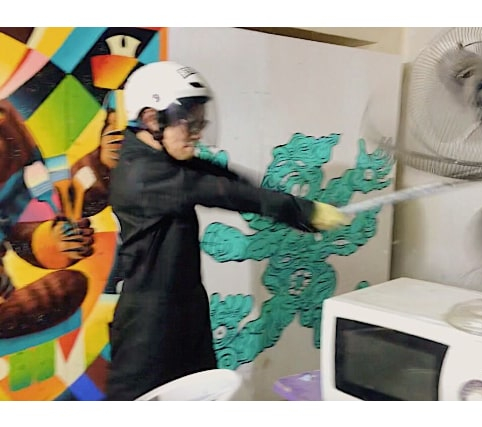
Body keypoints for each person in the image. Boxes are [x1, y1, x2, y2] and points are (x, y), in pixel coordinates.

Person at [105, 61, 348, 400]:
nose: (197, 132)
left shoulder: (160, 160)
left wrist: (291, 205)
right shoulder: (142, 174)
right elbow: (222, 192)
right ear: (150, 119)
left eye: (200, 121)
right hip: (149, 324)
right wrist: (303, 211)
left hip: (184, 307)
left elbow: (221, 177)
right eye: (188, 121)